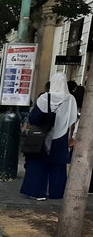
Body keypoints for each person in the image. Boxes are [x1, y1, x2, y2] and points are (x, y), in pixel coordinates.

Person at [20, 72, 79, 200]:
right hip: (62, 135)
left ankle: (37, 192)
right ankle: (57, 193)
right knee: (58, 166)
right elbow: (73, 118)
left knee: (38, 164)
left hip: (43, 136)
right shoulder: (71, 99)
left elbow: (33, 118)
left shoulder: (45, 98)